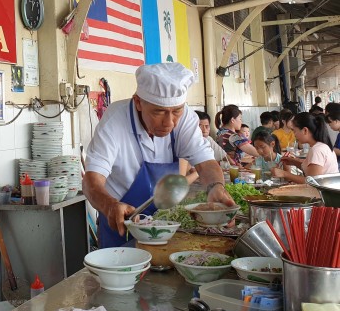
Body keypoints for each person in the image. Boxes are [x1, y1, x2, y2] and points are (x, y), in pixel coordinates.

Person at [82, 62, 234, 248]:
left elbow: (205, 162)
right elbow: (91, 181)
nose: (169, 122)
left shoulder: (185, 117)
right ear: (138, 102)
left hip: (166, 224)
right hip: (121, 222)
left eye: (176, 111)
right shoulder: (115, 121)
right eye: (159, 111)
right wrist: (110, 205)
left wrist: (215, 187)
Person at [271, 112, 339, 184]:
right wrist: (294, 162)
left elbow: (312, 182)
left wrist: (284, 174)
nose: (294, 135)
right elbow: (311, 170)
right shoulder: (319, 146)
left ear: (305, 130)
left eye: (294, 131)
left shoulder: (317, 150)